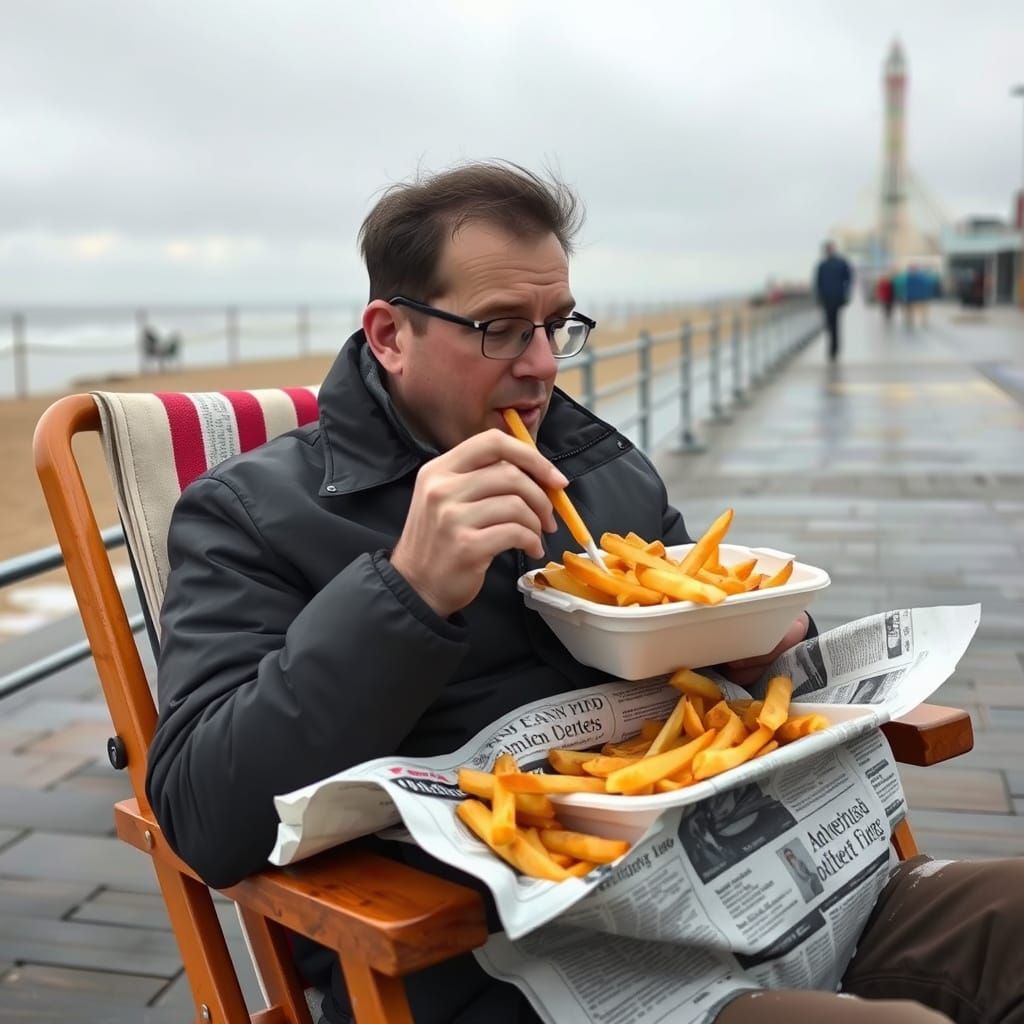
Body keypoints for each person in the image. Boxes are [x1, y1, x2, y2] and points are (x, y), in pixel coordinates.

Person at [147, 162, 1023, 1024]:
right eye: (499, 328)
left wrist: (775, 635)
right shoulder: (252, 516)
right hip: (514, 966)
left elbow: (731, 654)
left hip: (763, 891)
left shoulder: (594, 462)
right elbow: (202, 813)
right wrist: (404, 592)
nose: (540, 365)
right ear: (389, 335)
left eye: (557, 325)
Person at [814, 241, 852, 360]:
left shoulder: (829, 264)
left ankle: (833, 348)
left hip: (834, 297)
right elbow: (818, 283)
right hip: (830, 297)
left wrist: (845, 294)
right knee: (832, 324)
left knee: (833, 323)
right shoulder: (824, 265)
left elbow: (848, 279)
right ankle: (833, 348)